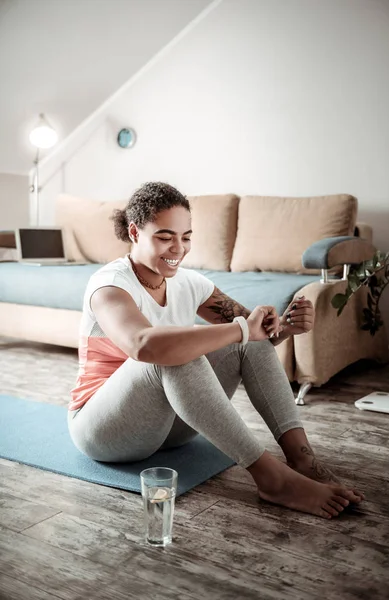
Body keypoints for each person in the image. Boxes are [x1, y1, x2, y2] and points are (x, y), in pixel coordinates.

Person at [68, 181, 364, 520]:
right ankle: (272, 479)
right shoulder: (110, 286)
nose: (178, 248)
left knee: (245, 345)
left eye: (186, 237)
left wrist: (283, 328)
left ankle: (301, 459)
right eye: (165, 237)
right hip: (104, 429)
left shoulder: (190, 282)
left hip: (169, 429)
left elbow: (253, 336)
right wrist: (242, 329)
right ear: (135, 232)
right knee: (175, 353)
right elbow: (143, 345)